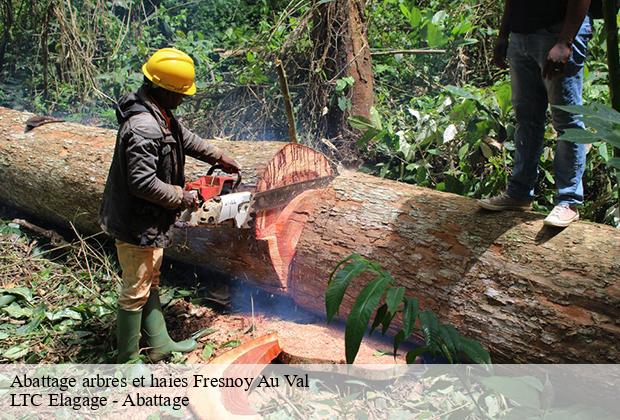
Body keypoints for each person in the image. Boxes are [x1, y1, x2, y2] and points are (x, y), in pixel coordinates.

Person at [100, 48, 240, 363]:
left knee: (150, 279)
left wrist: (218, 157)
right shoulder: (144, 127)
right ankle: (128, 360)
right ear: (165, 89)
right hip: (136, 222)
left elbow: (184, 138)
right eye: (181, 95)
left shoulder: (159, 114)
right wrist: (182, 196)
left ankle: (160, 343)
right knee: (135, 290)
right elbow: (142, 182)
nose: (183, 100)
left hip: (149, 219)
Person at [479, 0, 593, 227]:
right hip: (521, 35)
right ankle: (519, 193)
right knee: (526, 118)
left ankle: (569, 201)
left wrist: (565, 41)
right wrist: (504, 34)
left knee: (566, 120)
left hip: (557, 32)